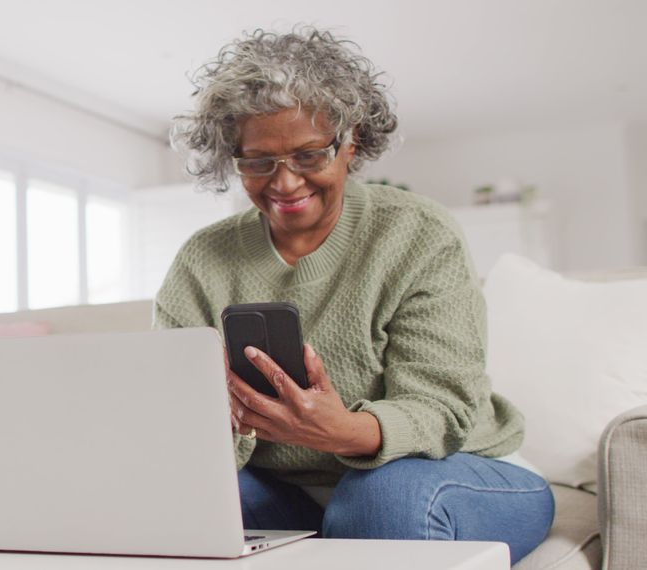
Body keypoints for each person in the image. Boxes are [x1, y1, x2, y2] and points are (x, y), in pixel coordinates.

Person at [156, 27, 554, 564]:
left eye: (309, 155)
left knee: (378, 501)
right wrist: (217, 417)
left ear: (352, 143)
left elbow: (444, 410)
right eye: (258, 161)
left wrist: (341, 430)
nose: (286, 183)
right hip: (290, 494)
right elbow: (172, 421)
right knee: (185, 501)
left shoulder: (416, 234)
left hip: (452, 469)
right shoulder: (202, 261)